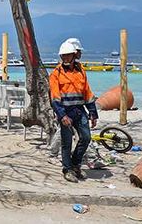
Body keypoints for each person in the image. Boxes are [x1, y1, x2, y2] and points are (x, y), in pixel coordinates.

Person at [49, 40, 98, 183]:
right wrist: (62, 115)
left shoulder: (81, 71)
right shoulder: (56, 74)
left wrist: (93, 113)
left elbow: (87, 93)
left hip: (79, 110)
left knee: (86, 137)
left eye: (67, 55)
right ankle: (67, 169)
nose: (65, 58)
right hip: (65, 112)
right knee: (67, 142)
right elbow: (55, 98)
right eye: (62, 56)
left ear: (73, 55)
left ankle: (75, 164)